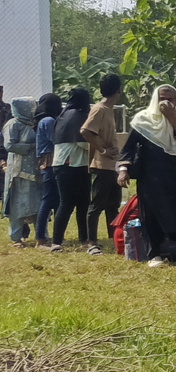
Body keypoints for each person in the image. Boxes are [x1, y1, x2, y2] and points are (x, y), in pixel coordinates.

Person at [116, 85, 176, 267]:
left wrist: (172, 118)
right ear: (155, 99)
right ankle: (155, 255)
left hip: (173, 175)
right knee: (151, 214)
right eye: (162, 98)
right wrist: (123, 170)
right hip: (149, 176)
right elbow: (128, 148)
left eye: (170, 99)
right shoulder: (142, 120)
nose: (166, 102)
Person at [80, 74, 124, 256]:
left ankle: (114, 239)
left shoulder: (109, 110)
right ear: (119, 90)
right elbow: (86, 131)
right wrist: (103, 151)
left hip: (112, 166)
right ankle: (92, 242)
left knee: (113, 205)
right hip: (102, 165)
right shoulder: (99, 109)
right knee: (96, 205)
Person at [50, 87, 93, 252]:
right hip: (69, 164)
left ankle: (83, 238)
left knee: (81, 203)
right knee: (68, 203)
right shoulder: (77, 115)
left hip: (74, 164)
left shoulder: (64, 115)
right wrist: (102, 147)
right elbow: (83, 143)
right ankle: (57, 241)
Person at [3, 97, 41, 246]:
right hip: (18, 171)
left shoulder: (33, 124)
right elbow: (9, 145)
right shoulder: (12, 124)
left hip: (35, 169)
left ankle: (41, 235)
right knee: (17, 205)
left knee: (37, 203)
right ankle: (16, 238)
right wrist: (31, 146)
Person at [32, 93, 61, 248]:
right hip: (50, 162)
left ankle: (55, 236)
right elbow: (55, 139)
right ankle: (40, 238)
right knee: (48, 199)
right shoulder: (49, 121)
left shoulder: (43, 120)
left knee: (54, 199)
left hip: (48, 162)